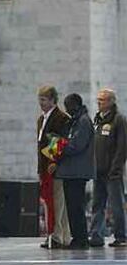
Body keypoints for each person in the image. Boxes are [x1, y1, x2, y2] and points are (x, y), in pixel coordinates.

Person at [55, 93, 95, 250]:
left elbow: (76, 145)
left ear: (77, 104)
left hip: (78, 171)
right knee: (72, 207)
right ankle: (77, 238)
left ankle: (81, 239)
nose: (67, 109)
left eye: (69, 106)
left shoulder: (83, 122)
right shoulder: (74, 121)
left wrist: (58, 147)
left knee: (76, 207)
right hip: (70, 171)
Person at [90, 88, 127, 248]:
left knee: (116, 205)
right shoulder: (98, 119)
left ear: (112, 101)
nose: (99, 102)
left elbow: (122, 147)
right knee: (97, 204)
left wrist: (116, 168)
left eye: (103, 100)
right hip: (98, 170)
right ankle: (96, 235)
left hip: (112, 172)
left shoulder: (119, 120)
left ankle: (121, 236)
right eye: (98, 100)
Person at [37, 85, 71, 249]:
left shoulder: (61, 118)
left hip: (55, 167)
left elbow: (60, 141)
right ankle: (60, 236)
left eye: (43, 100)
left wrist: (54, 162)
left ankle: (58, 236)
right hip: (44, 167)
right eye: (40, 100)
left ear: (52, 100)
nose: (41, 103)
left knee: (57, 203)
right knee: (51, 203)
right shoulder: (41, 119)